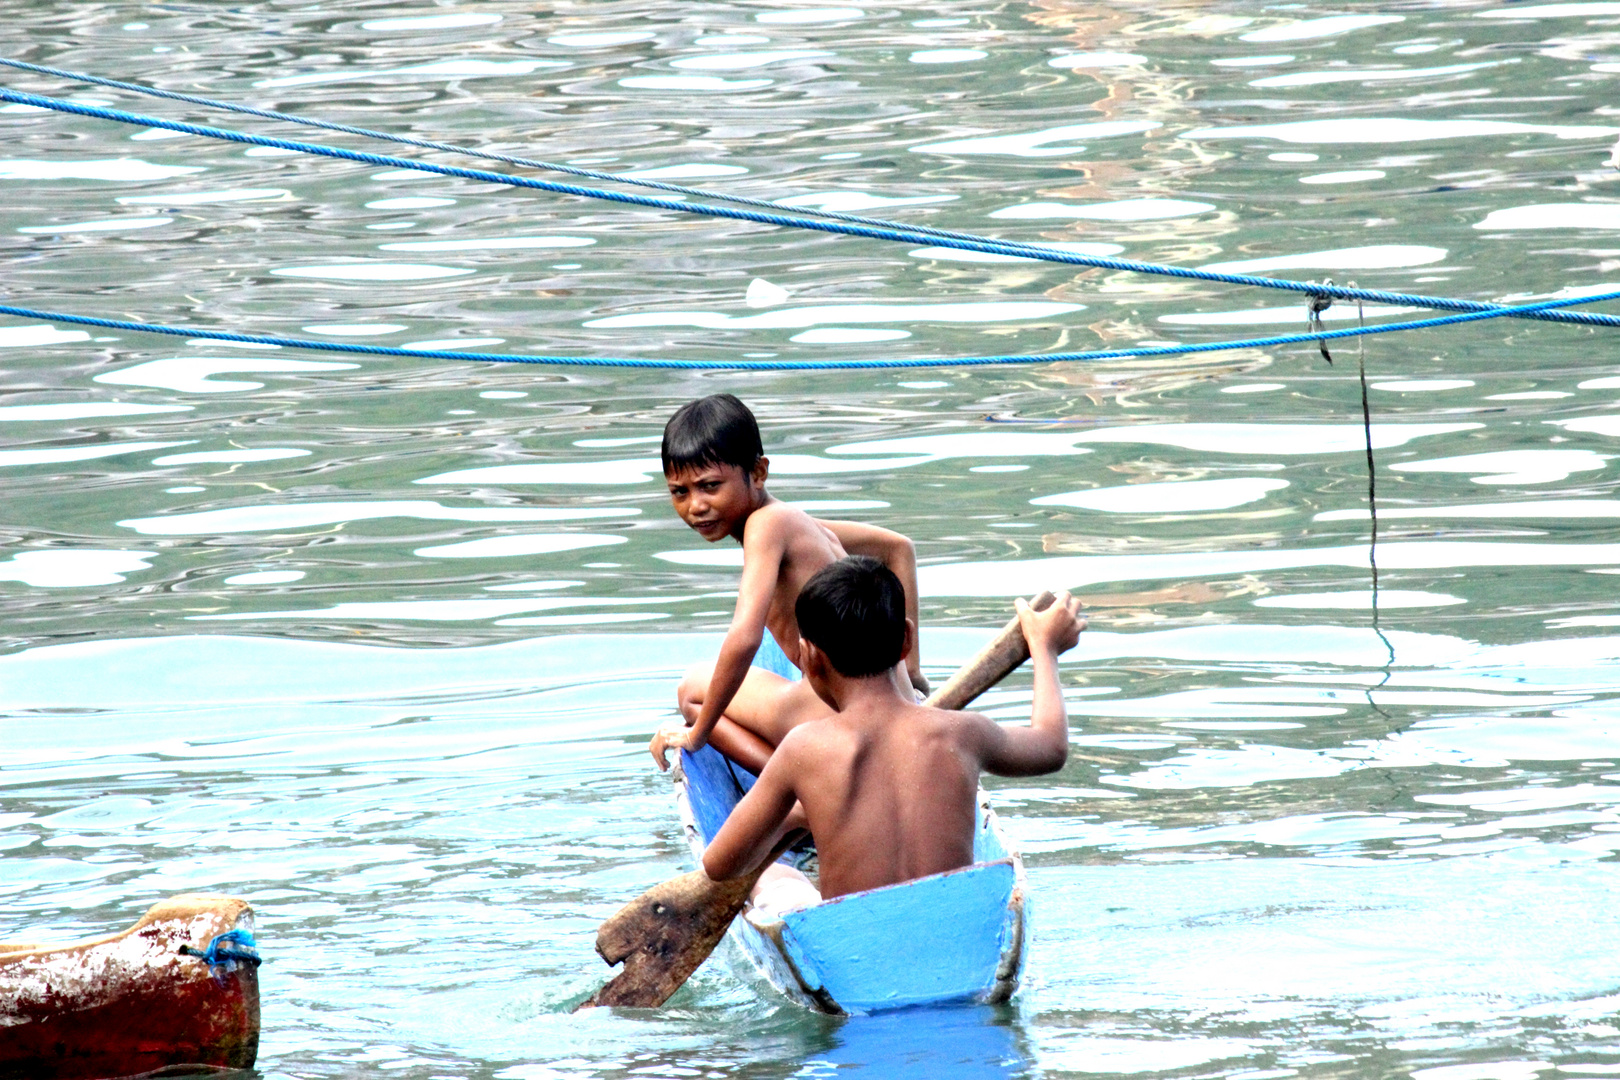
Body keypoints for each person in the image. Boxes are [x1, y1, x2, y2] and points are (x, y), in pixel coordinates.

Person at [702, 556, 1084, 909]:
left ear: (809, 657)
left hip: (855, 941)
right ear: (906, 640)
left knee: (773, 875)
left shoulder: (804, 748)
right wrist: (1044, 649)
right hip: (952, 925)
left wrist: (799, 814)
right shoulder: (962, 733)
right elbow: (1051, 747)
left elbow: (719, 863)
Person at [650, 394, 928, 774]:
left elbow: (745, 638)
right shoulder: (798, 522)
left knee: (692, 690)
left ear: (758, 473)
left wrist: (698, 733)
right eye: (679, 492)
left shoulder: (766, 526)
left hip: (836, 711)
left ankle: (796, 794)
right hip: (889, 701)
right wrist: (910, 675)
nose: (695, 505)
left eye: (710, 486)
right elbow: (899, 548)